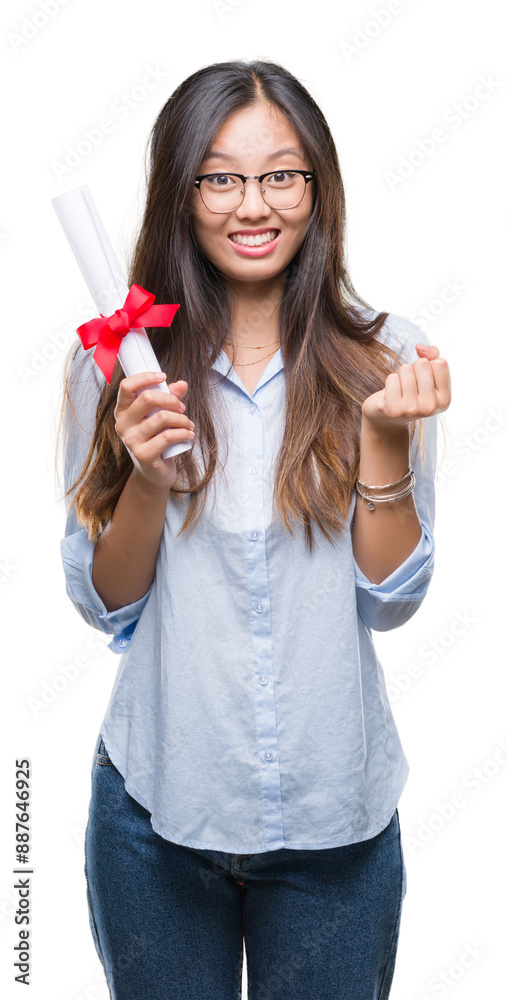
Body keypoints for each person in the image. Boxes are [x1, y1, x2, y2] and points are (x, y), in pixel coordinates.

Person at [57, 59, 451, 1000]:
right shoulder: (115, 365)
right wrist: (149, 479)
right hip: (156, 816)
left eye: (281, 174)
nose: (253, 204)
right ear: (182, 190)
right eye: (221, 176)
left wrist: (385, 443)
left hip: (334, 829)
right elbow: (105, 603)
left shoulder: (384, 355)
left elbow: (389, 601)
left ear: (317, 187)